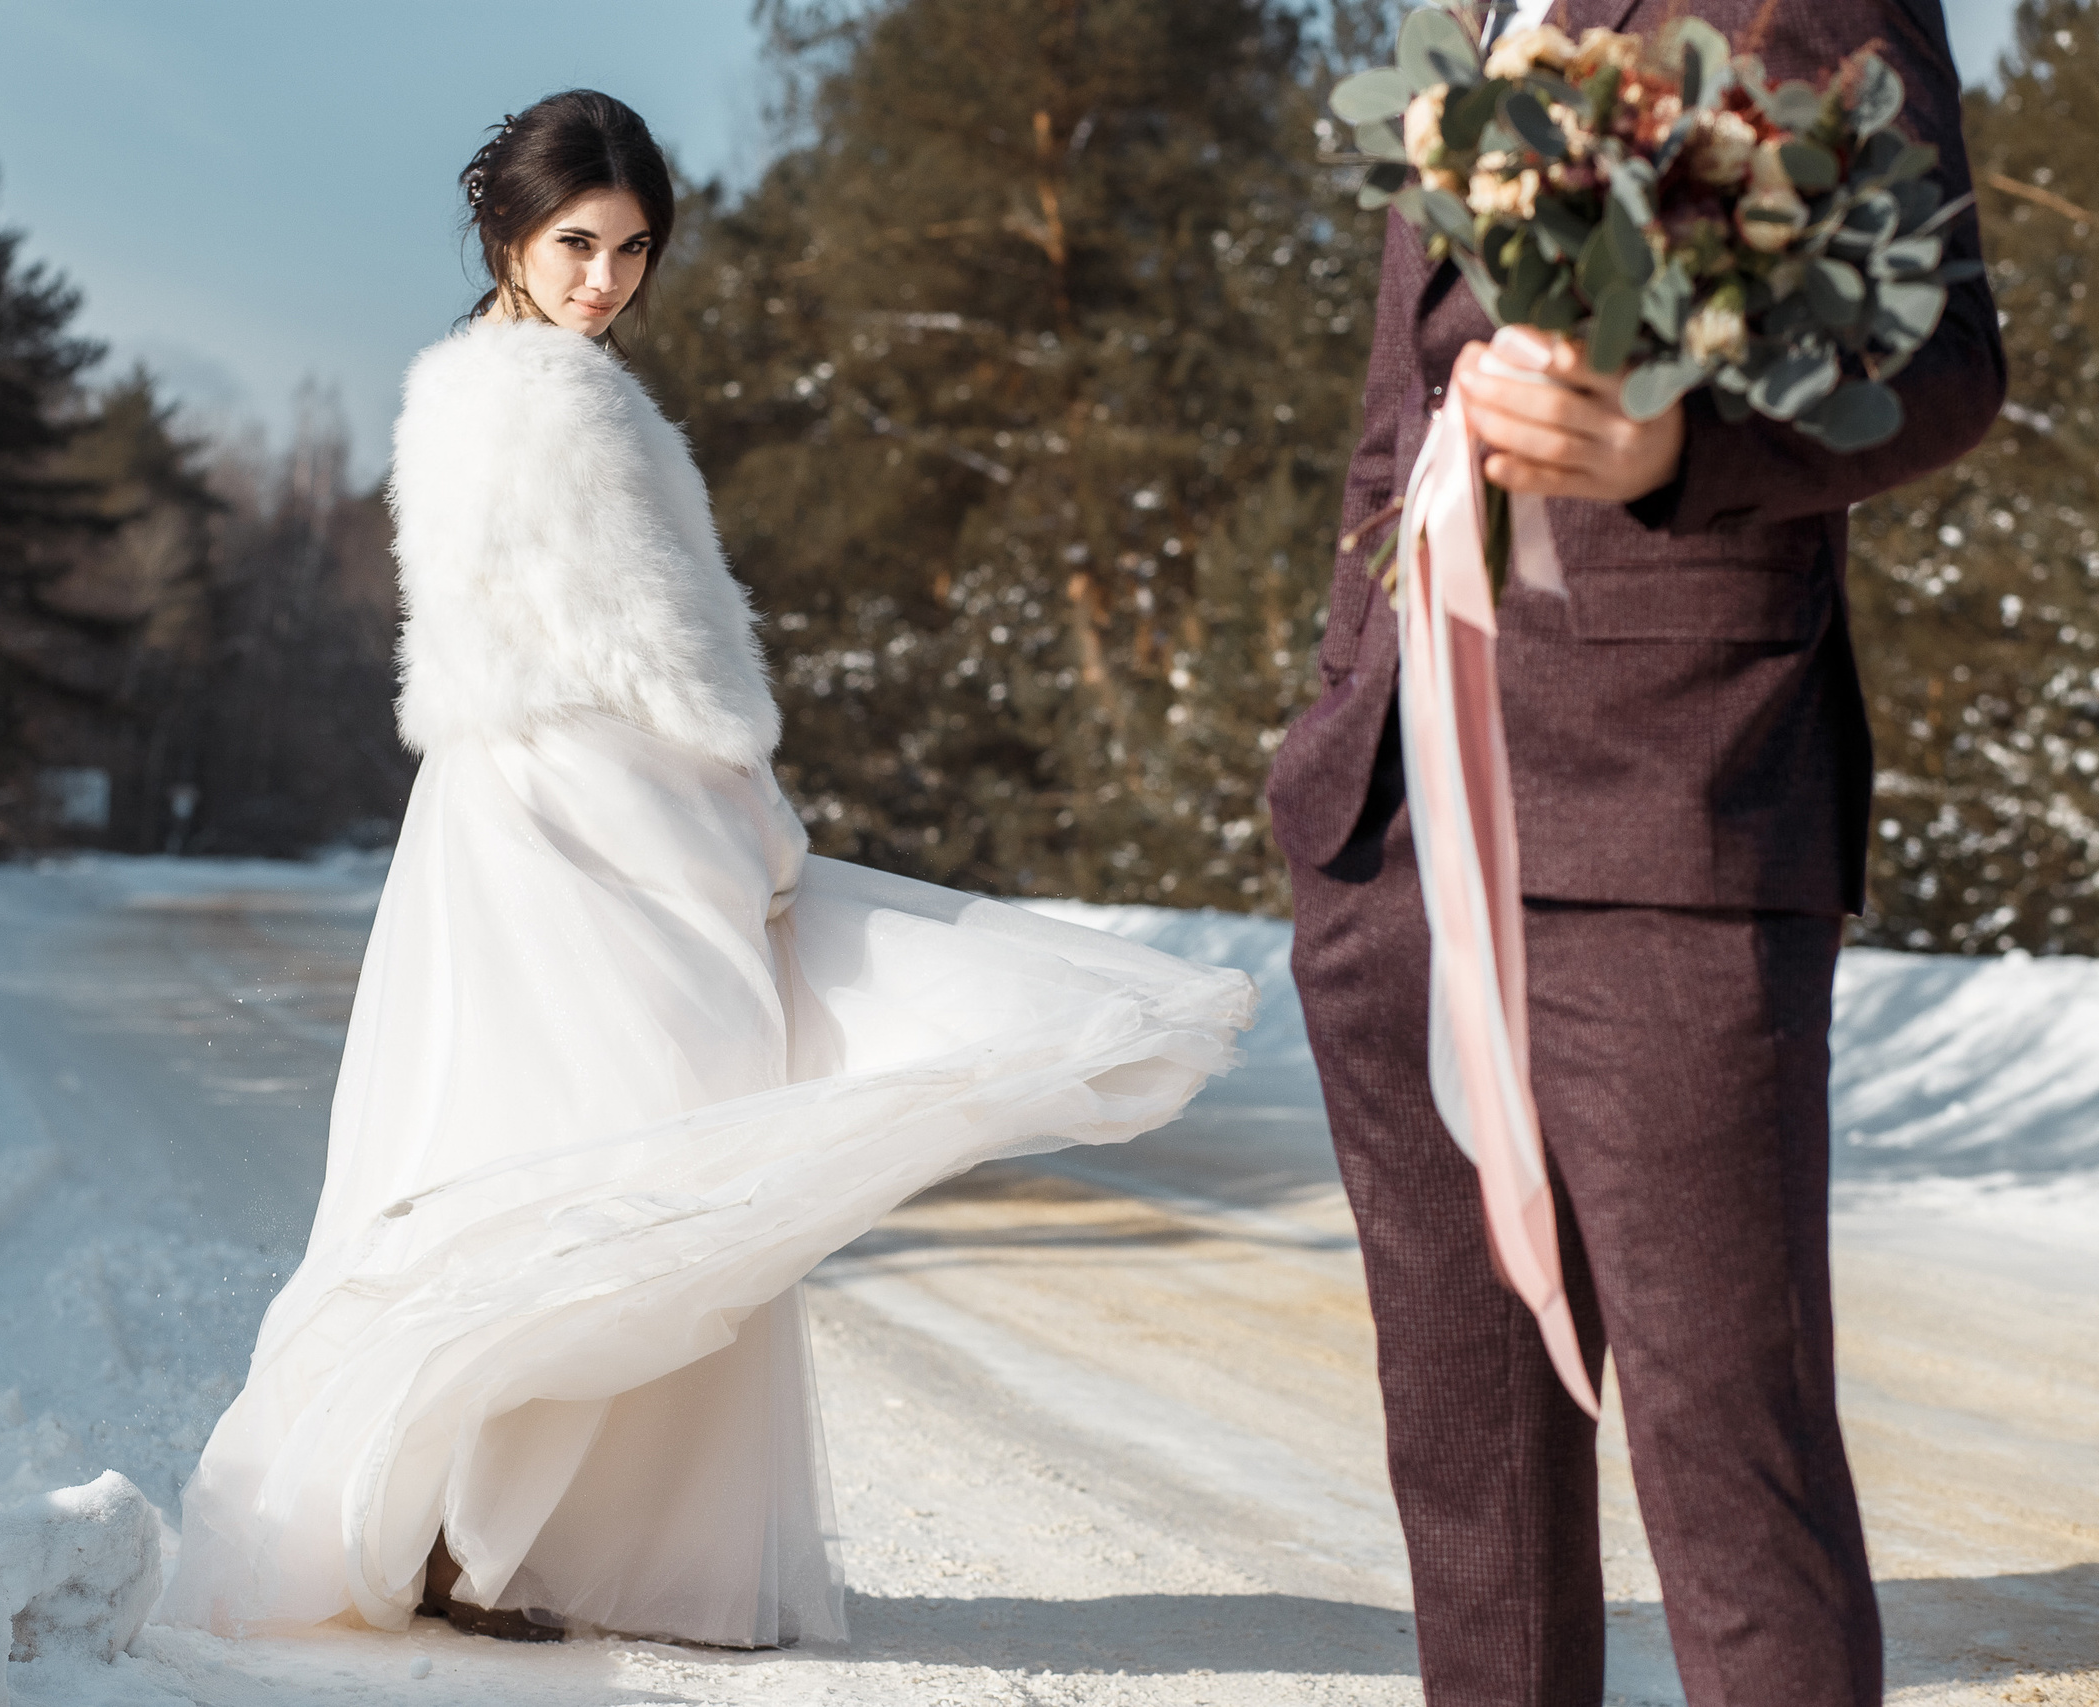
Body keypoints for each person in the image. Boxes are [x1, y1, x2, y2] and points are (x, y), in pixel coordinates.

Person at [161, 88, 1258, 1651]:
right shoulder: (547, 401)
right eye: (574, 244)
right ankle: (485, 1537)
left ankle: (476, 1532)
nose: (604, 278)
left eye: (629, 248)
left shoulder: (479, 387)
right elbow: (652, 664)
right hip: (588, 817)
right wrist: (752, 802)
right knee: (618, 1158)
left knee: (542, 1157)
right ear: (509, 239)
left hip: (531, 806)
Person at [1265, 2, 2002, 1704]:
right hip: (1392, 835)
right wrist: (1335, 719)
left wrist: (1691, 445)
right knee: (1473, 1499)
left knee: (1731, 1486)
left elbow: (1948, 358)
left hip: (1674, 808)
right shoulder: (1461, 19)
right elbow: (1406, 412)